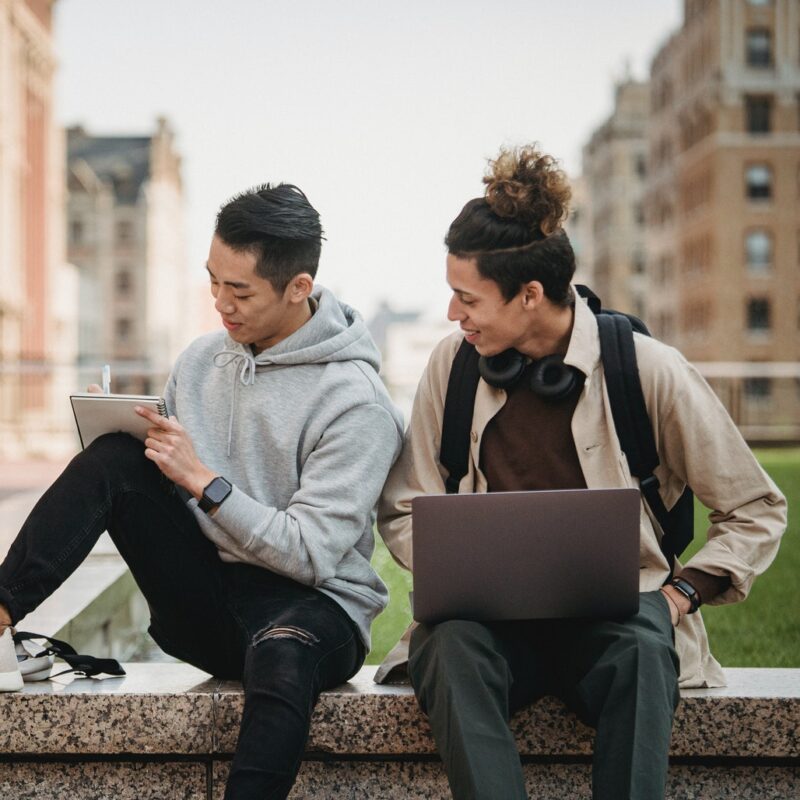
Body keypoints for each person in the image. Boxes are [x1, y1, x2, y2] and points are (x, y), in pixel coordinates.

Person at [376, 146, 787, 800]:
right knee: (445, 646)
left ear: (530, 296)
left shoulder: (648, 370)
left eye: (465, 298)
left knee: (645, 651)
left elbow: (757, 508)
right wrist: (457, 572)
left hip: (618, 627)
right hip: (491, 631)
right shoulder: (450, 369)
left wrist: (679, 595)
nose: (454, 315)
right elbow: (403, 506)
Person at [0, 183, 404, 800]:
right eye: (213, 280)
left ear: (299, 287)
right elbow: (157, 485)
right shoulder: (198, 361)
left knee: (282, 656)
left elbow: (313, 554)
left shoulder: (357, 402)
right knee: (113, 457)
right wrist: (152, 452)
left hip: (313, 615)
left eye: (239, 291)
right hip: (210, 602)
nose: (220, 303)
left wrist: (204, 481)